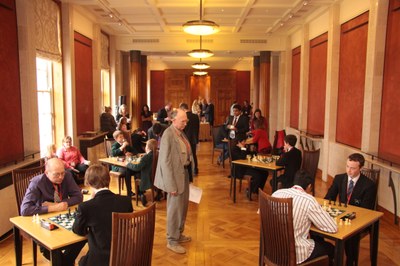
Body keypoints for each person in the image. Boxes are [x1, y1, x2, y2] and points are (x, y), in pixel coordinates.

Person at [20, 158, 85, 265]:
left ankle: (63, 263)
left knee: (82, 237)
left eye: (62, 173)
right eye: (56, 174)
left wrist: (60, 204)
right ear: (47, 173)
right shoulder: (37, 182)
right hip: (42, 224)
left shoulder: (67, 176)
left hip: (62, 218)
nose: (61, 177)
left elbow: (78, 196)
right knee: (49, 248)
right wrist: (52, 208)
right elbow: (25, 209)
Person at [272, 170, 337, 265]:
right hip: (296, 253)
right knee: (331, 248)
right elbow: (332, 228)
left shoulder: (276, 193)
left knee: (317, 240)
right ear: (309, 186)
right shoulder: (308, 200)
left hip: (273, 249)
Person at [72, 164, 133, 266]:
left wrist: (89, 201)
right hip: (125, 255)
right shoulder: (126, 201)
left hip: (100, 260)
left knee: (82, 262)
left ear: (89, 182)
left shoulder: (86, 207)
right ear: (108, 179)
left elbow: (77, 230)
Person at [324, 153, 376, 266]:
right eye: (347, 166)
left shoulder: (369, 185)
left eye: (353, 168)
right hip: (340, 216)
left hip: (358, 219)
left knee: (350, 237)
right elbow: (328, 198)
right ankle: (327, 258)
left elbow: (366, 211)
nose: (349, 170)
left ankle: (350, 262)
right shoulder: (339, 178)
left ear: (361, 168)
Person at [154, 108, 193, 254]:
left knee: (182, 208)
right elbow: (165, 162)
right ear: (173, 120)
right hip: (174, 178)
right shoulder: (168, 134)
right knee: (174, 209)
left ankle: (178, 233)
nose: (185, 123)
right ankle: (171, 240)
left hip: (183, 174)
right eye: (183, 121)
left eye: (186, 121)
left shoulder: (180, 131)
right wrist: (170, 185)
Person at [125, 139, 158, 206]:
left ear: (148, 147)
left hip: (147, 177)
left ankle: (140, 194)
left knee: (132, 172)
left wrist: (127, 164)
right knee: (136, 173)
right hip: (154, 175)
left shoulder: (146, 157)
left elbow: (137, 167)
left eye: (146, 145)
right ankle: (141, 193)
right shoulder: (156, 153)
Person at [111, 130, 134, 197]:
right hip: (117, 166)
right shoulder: (115, 145)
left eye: (122, 136)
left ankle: (139, 191)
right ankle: (129, 192)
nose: (122, 138)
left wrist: (131, 153)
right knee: (127, 171)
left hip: (125, 164)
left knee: (135, 169)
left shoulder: (126, 143)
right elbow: (113, 153)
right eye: (120, 137)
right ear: (116, 139)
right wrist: (122, 147)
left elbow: (134, 150)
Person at [180, 103, 200, 177]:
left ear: (183, 109)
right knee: (194, 154)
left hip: (186, 138)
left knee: (187, 155)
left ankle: (188, 170)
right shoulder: (196, 116)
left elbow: (182, 129)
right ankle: (195, 170)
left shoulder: (184, 117)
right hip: (194, 138)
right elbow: (198, 128)